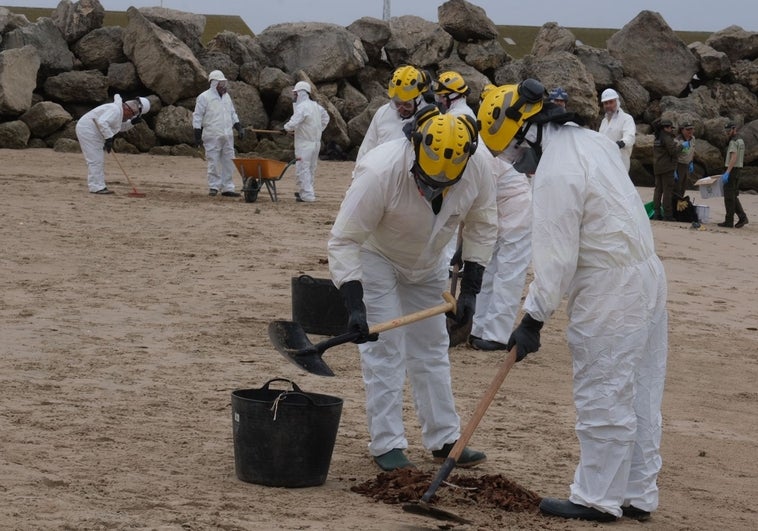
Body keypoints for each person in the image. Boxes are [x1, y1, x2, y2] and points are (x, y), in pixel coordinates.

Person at [479, 80, 668, 522]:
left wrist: (533, 320)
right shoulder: (594, 142)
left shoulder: (555, 174)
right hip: (646, 273)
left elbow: (555, 260)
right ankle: (637, 493)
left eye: (511, 151)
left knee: (603, 389)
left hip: (610, 288)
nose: (514, 162)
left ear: (528, 130)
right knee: (639, 390)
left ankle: (596, 498)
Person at [327, 106, 498, 472]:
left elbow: (483, 223)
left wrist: (471, 287)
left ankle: (444, 439)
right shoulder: (380, 170)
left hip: (429, 261)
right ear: (416, 148)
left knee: (432, 347)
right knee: (385, 348)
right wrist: (355, 304)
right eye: (425, 180)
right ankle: (387, 443)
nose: (430, 189)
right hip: (378, 256)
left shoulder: (479, 164)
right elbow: (343, 241)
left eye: (441, 186)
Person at [467, 83, 536, 351]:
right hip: (497, 217)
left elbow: (473, 202)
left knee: (508, 275)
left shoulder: (487, 154)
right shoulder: (483, 147)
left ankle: (496, 334)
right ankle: (476, 327)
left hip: (518, 217)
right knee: (488, 272)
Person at [75, 95, 151, 194]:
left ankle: (98, 185)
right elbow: (102, 122)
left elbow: (118, 126)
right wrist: (109, 138)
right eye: (133, 115)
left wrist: (131, 123)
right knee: (95, 159)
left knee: (98, 159)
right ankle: (96, 187)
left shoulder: (118, 112)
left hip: (94, 132)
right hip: (88, 130)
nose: (131, 117)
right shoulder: (115, 110)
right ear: (130, 110)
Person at [355, 65, 427, 162]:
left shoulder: (429, 119)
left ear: (418, 99)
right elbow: (367, 147)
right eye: (397, 104)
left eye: (407, 104)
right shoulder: (382, 113)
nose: (401, 109)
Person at [192, 70, 244, 197]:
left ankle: (227, 187)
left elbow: (232, 113)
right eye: (221, 83)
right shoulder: (204, 97)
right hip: (212, 135)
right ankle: (214, 186)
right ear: (214, 83)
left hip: (227, 135)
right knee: (213, 161)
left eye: (224, 83)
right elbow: (197, 116)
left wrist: (238, 127)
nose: (223, 86)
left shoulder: (226, 97)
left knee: (229, 161)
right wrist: (197, 134)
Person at [283, 81, 329, 203]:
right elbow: (326, 118)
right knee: (311, 168)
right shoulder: (316, 106)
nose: (294, 97)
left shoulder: (302, 107)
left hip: (304, 143)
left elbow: (294, 122)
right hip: (315, 143)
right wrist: (318, 129)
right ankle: (305, 192)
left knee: (303, 168)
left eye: (295, 94)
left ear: (300, 93)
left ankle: (308, 195)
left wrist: (285, 128)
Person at [598, 88, 636, 172]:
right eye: (605, 103)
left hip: (620, 163)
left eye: (611, 102)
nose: (608, 105)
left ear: (617, 101)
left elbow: (630, 137)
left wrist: (621, 143)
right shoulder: (604, 121)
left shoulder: (627, 119)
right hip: (604, 163)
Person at [719, 122, 749, 228]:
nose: (727, 133)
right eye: (726, 131)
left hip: (732, 170)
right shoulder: (741, 140)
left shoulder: (733, 141)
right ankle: (742, 217)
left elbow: (734, 157)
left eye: (728, 131)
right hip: (738, 169)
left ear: (733, 129)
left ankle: (729, 221)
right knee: (733, 196)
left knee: (728, 197)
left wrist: (727, 172)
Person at [652, 118, 681, 221]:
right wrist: (681, 147)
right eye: (669, 127)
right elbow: (673, 151)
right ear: (666, 128)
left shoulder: (657, 137)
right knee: (667, 191)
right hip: (667, 168)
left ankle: (657, 213)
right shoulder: (667, 137)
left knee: (658, 191)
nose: (671, 130)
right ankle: (667, 214)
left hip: (657, 167)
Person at [675, 122, 696, 197]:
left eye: (691, 129)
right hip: (679, 165)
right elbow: (673, 154)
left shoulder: (693, 138)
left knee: (684, 186)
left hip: (688, 164)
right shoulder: (678, 140)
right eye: (688, 129)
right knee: (677, 186)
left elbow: (692, 150)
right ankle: (674, 203)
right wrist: (674, 169)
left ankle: (680, 202)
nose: (690, 131)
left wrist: (691, 162)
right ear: (682, 130)